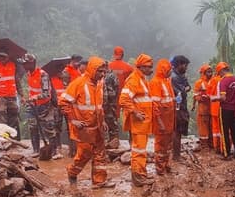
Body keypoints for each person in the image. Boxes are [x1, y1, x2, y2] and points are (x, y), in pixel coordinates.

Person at [59, 56, 113, 188]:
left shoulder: (100, 84)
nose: (102, 74)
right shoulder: (78, 83)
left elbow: (98, 106)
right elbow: (63, 102)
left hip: (97, 126)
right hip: (83, 128)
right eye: (100, 71)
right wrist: (73, 120)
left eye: (104, 72)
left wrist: (103, 121)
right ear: (92, 69)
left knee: (100, 154)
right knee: (84, 154)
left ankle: (99, 181)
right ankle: (72, 172)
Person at [120, 53, 156, 187]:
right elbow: (123, 100)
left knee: (141, 150)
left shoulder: (142, 79)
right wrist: (135, 113)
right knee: (138, 150)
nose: (151, 70)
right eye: (149, 67)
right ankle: (138, 178)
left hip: (144, 122)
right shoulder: (134, 80)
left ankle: (141, 173)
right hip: (139, 123)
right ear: (141, 66)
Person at [20, 54, 58, 159]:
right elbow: (31, 89)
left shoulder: (43, 75)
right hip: (33, 105)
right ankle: (36, 150)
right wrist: (28, 98)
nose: (23, 65)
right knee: (32, 127)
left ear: (32, 63)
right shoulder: (28, 74)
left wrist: (35, 97)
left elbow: (47, 94)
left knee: (49, 129)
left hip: (44, 105)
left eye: (25, 63)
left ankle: (54, 151)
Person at [149, 58, 177, 177]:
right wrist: (159, 121)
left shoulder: (166, 81)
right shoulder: (155, 82)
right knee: (160, 144)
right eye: (169, 69)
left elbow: (170, 100)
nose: (171, 71)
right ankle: (160, 167)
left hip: (169, 118)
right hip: (162, 119)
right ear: (163, 70)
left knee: (168, 144)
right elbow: (155, 105)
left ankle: (167, 165)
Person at [0, 51, 19, 132]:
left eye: (4, 56)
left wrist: (21, 95)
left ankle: (13, 139)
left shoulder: (13, 65)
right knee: (0, 120)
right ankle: (3, 140)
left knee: (13, 117)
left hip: (12, 95)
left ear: (8, 57)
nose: (2, 58)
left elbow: (17, 81)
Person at [170, 55, 192, 159]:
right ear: (179, 65)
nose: (186, 67)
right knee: (176, 130)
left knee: (178, 130)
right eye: (185, 65)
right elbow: (182, 91)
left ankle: (176, 153)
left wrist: (185, 89)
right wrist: (185, 89)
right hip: (176, 107)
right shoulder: (174, 77)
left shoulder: (181, 76)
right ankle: (176, 155)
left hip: (181, 105)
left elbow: (188, 87)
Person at [208, 62, 230, 154]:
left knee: (216, 129)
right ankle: (223, 148)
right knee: (224, 129)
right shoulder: (230, 79)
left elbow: (209, 93)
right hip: (224, 107)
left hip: (215, 107)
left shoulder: (213, 80)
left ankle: (216, 147)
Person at [194, 64, 213, 150]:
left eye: (211, 71)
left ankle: (211, 143)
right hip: (203, 109)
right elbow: (195, 95)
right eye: (208, 72)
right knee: (203, 126)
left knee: (211, 126)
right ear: (204, 73)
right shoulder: (199, 83)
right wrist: (203, 98)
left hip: (212, 108)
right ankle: (204, 144)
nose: (210, 73)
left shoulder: (213, 81)